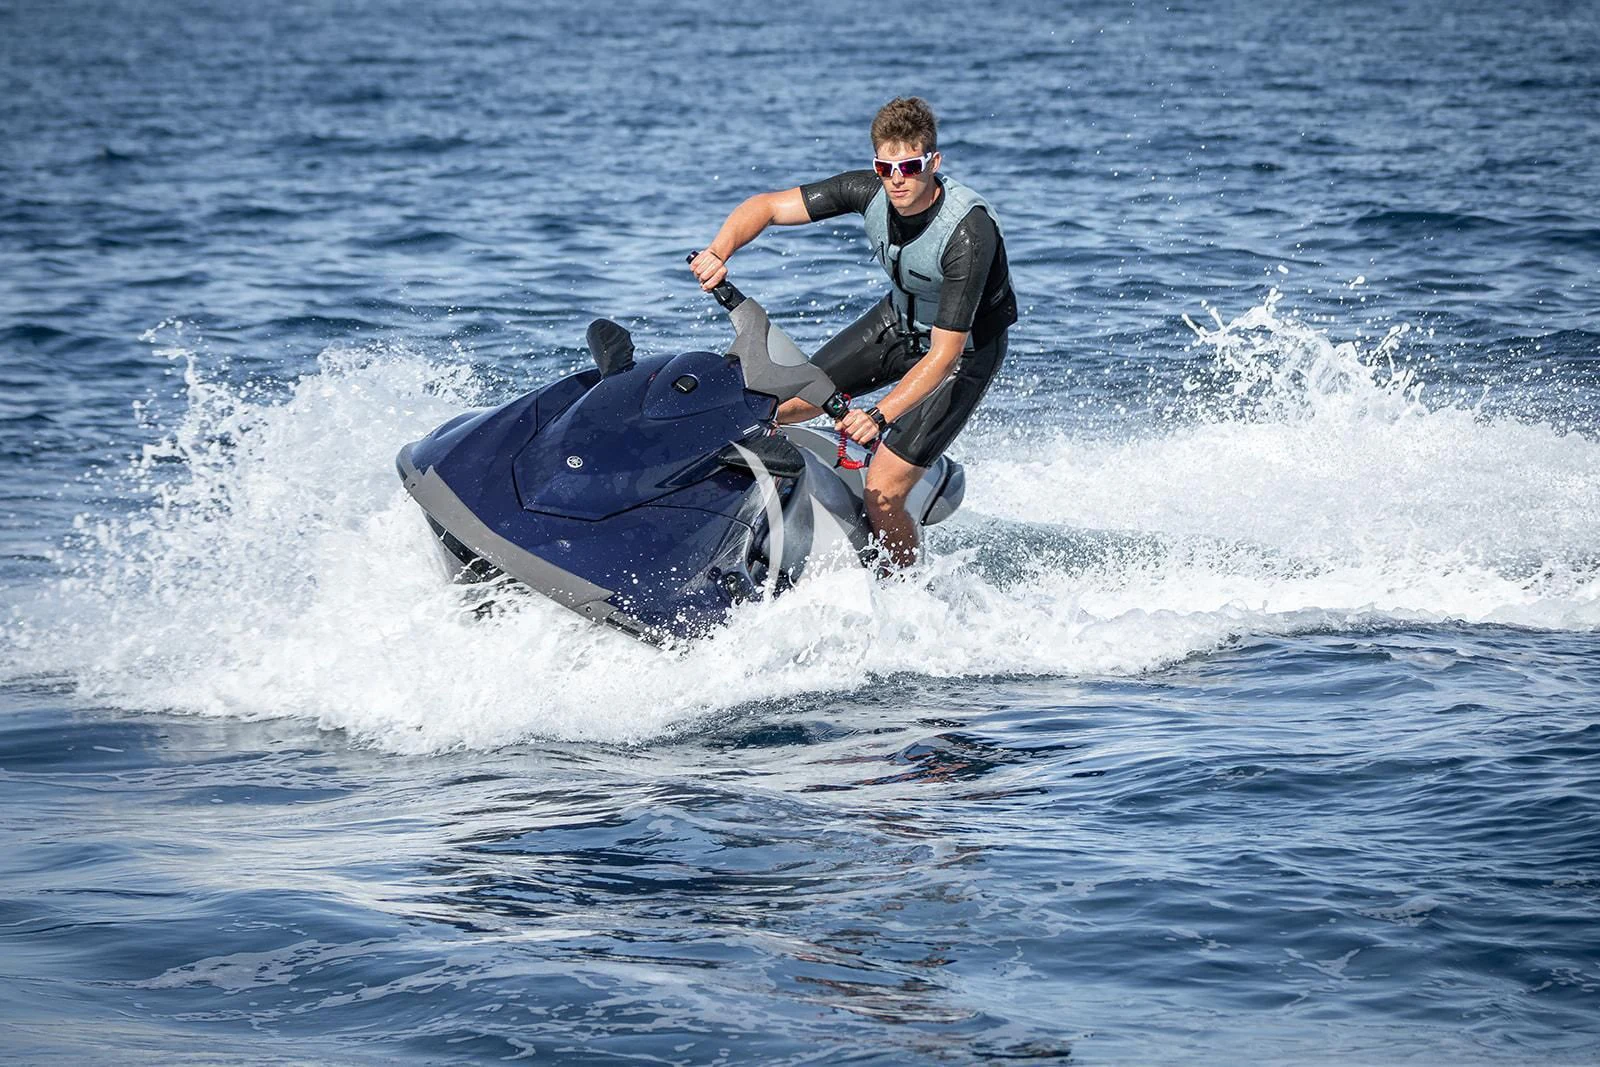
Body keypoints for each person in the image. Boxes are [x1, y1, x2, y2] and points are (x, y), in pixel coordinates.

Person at [690, 96, 1017, 571]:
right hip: (898, 324)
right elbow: (766, 207)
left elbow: (944, 356)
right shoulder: (869, 191)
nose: (897, 179)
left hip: (963, 353)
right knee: (770, 407)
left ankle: (905, 592)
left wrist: (879, 417)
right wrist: (719, 251)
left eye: (910, 165)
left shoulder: (968, 234)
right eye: (886, 168)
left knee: (882, 491)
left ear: (934, 162)